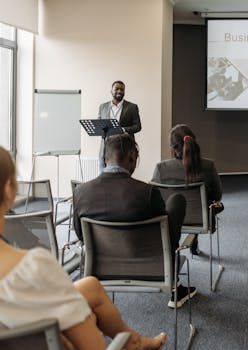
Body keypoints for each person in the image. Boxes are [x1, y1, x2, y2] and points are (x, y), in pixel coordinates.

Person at [0, 146, 166, 350]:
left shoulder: (82, 192)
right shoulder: (33, 268)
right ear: (9, 191)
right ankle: (129, 342)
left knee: (92, 286)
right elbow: (94, 346)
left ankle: (134, 341)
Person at [74, 134, 196, 309]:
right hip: (151, 268)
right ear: (132, 157)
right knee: (176, 201)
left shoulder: (81, 192)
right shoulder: (147, 192)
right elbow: (166, 237)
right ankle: (175, 283)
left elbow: (81, 235)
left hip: (99, 270)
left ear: (104, 158)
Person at [152, 124, 223, 255]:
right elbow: (217, 195)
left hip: (169, 220)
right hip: (201, 220)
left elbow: (155, 198)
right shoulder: (209, 166)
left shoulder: (161, 169)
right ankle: (194, 238)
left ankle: (173, 246)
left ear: (172, 148)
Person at [98, 80, 142, 171]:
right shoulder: (102, 107)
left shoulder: (132, 107)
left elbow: (137, 126)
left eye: (122, 89)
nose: (119, 91)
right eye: (116, 89)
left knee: (123, 178)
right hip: (106, 148)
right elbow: (99, 125)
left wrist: (123, 129)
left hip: (124, 149)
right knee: (104, 176)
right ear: (111, 91)